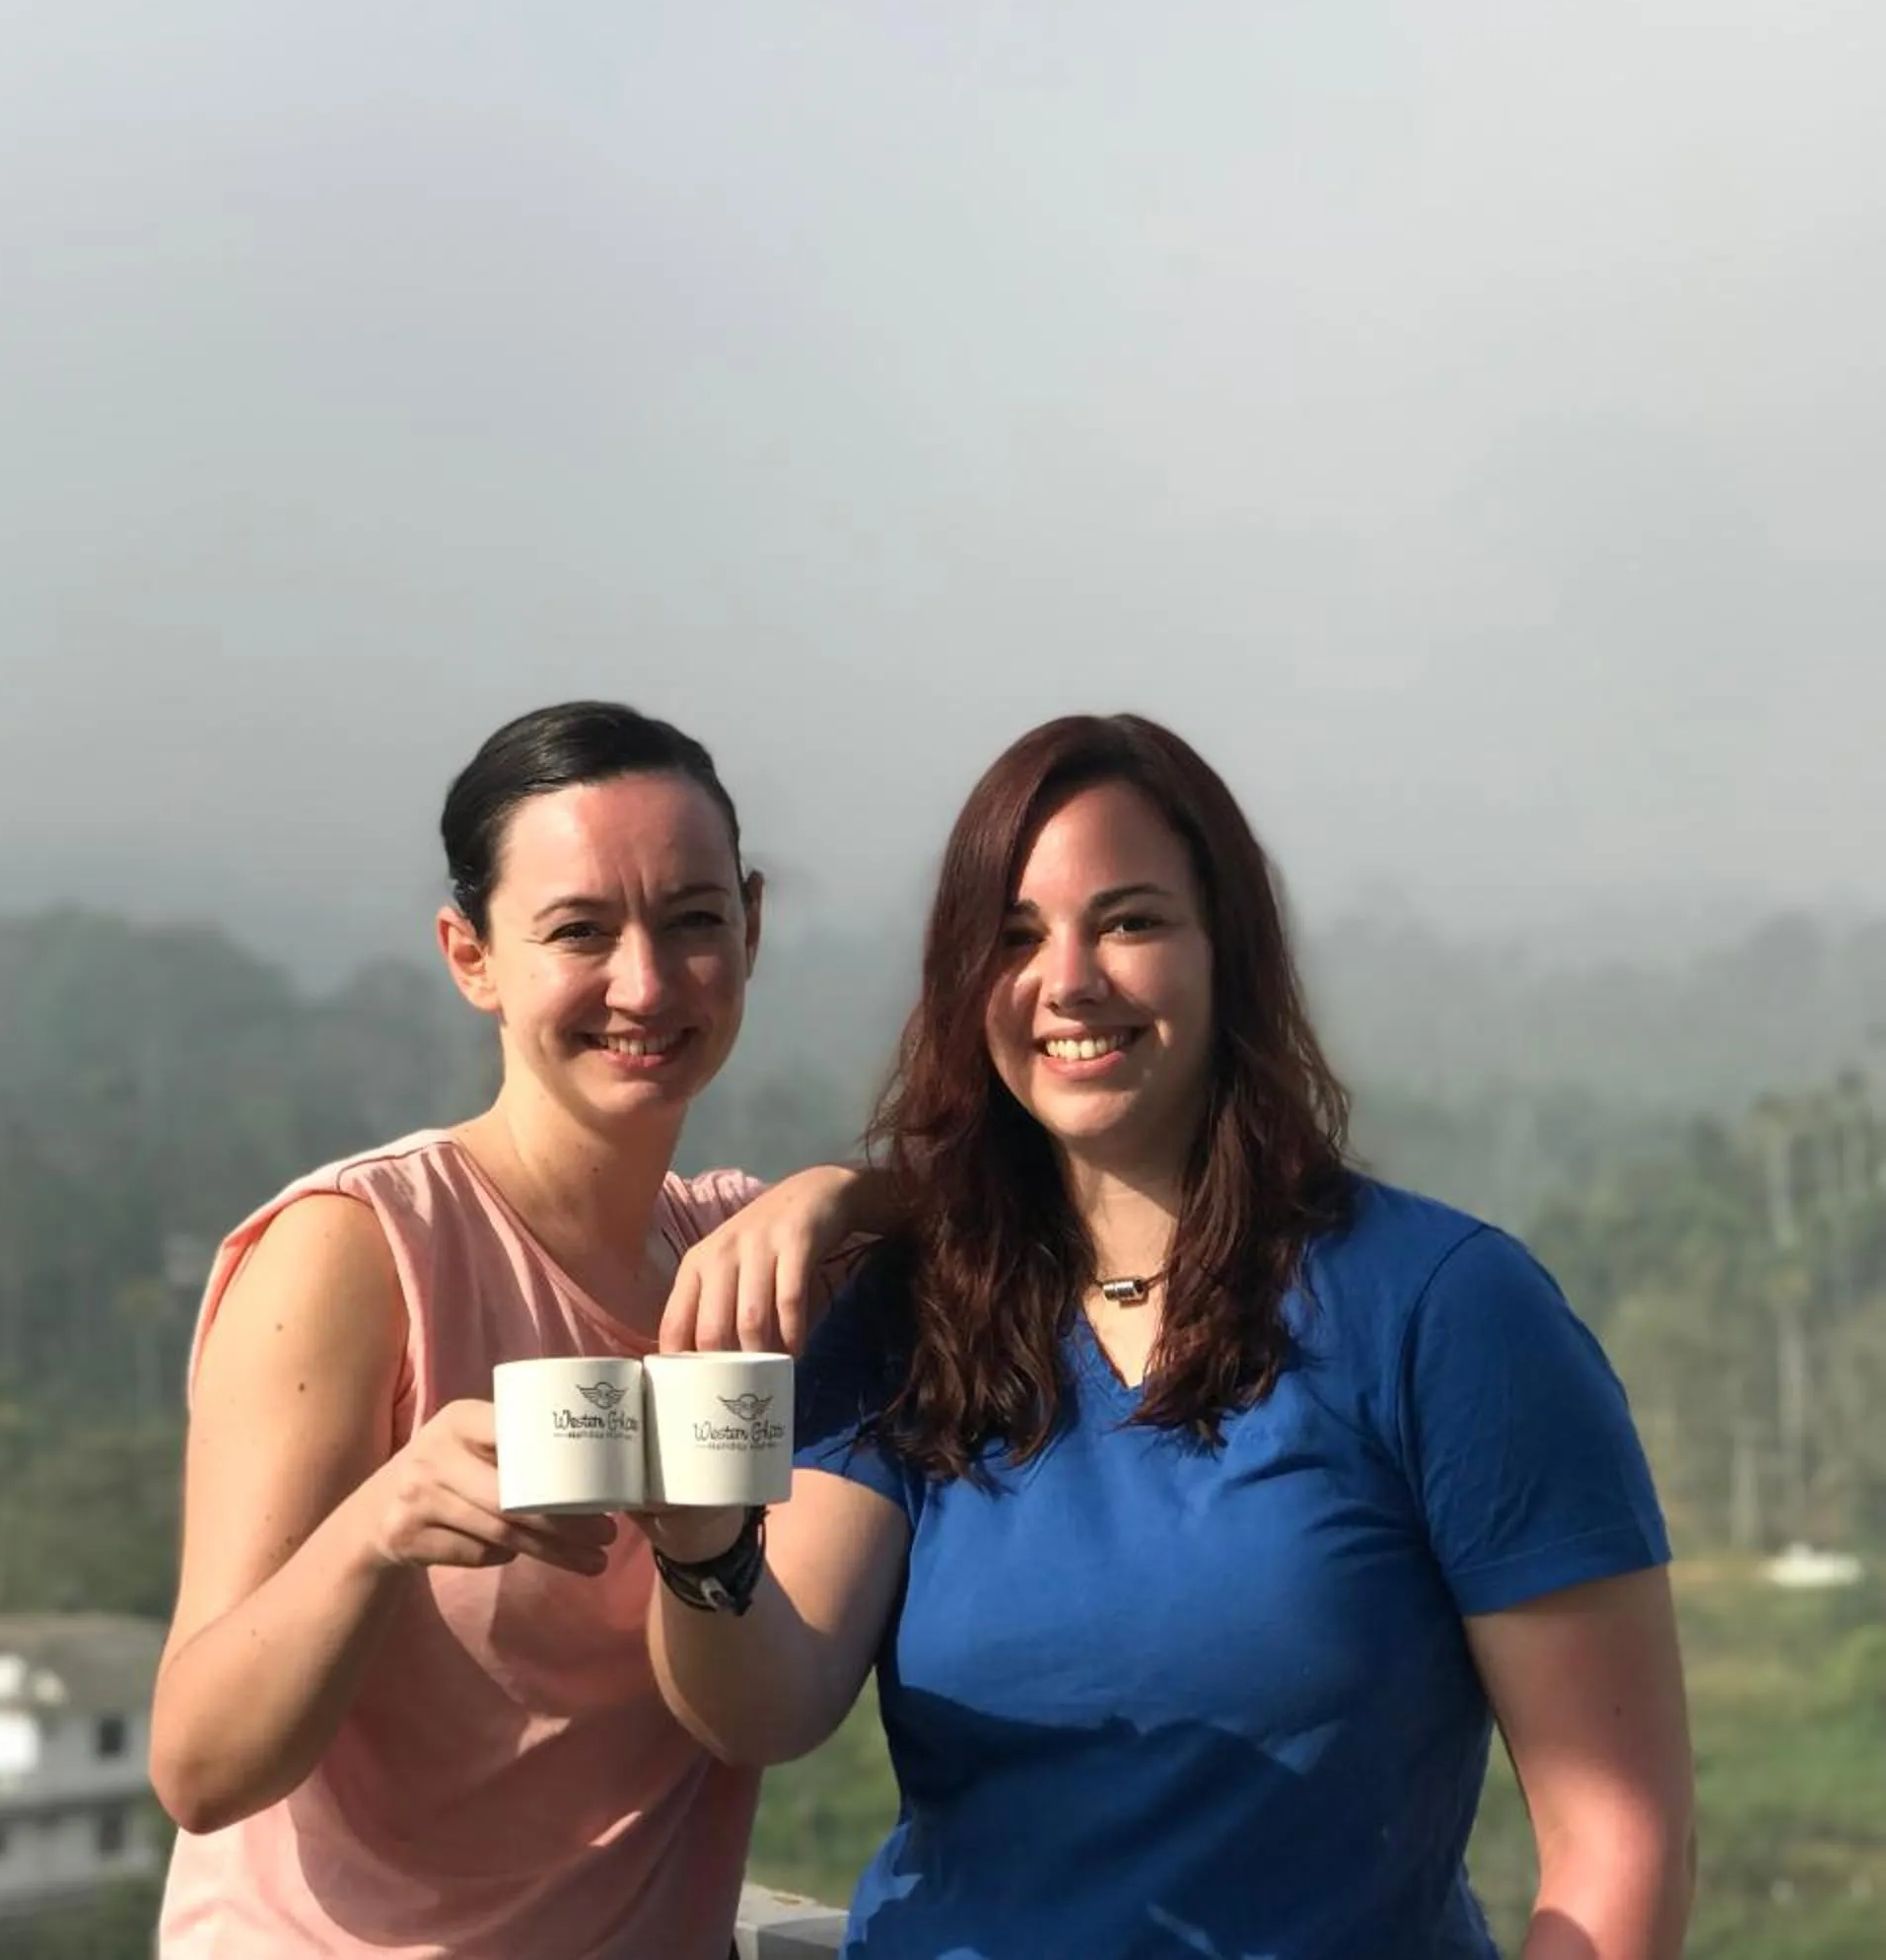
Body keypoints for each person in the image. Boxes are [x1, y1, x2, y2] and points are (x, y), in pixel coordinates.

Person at [647, 713, 1697, 1960]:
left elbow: (1618, 1840)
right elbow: (767, 1703)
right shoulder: (916, 1310)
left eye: (1131, 920)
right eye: (1016, 936)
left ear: (1228, 954)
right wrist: (700, 1537)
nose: (1069, 979)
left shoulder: (1446, 1311)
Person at [151, 699, 857, 1958]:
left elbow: (999, 1212)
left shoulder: (737, 1260)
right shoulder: (361, 1249)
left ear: (750, 926)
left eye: (694, 921)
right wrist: (377, 1529)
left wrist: (847, 1191)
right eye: (580, 931)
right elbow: (199, 1766)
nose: (644, 983)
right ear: (471, 955)